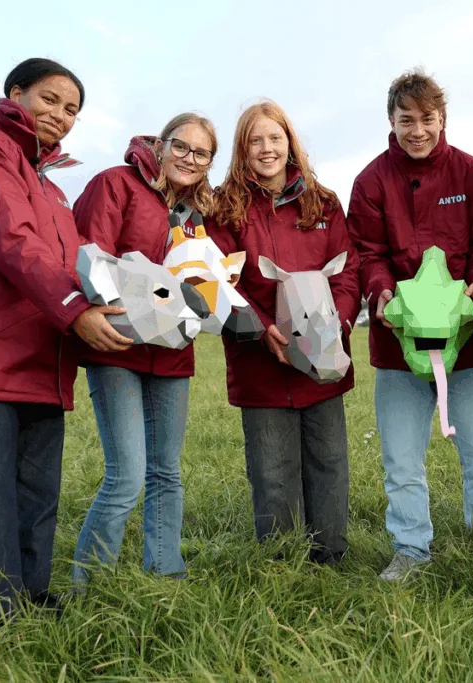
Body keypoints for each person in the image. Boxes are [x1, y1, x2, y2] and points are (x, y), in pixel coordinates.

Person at [0, 58, 133, 627]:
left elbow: (77, 263)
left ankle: (28, 601)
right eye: (51, 100)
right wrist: (74, 309)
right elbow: (13, 242)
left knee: (36, 495)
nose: (61, 116)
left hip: (42, 357)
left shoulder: (54, 192)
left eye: (72, 110)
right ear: (16, 93)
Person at [347, 69, 473, 581]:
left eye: (426, 119)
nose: (416, 130)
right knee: (401, 459)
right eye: (405, 120)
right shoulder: (371, 181)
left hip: (466, 339)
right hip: (399, 343)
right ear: (390, 122)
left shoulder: (472, 173)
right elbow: (365, 251)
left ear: (443, 120)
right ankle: (411, 549)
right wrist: (382, 290)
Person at [70, 113, 219, 588]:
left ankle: (166, 575)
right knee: (127, 475)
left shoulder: (196, 215)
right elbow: (90, 255)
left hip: (172, 355)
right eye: (181, 147)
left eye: (202, 153)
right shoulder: (116, 185)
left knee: (166, 472)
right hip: (118, 347)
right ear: (161, 144)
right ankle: (88, 586)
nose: (189, 159)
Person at [213, 100, 360, 566]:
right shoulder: (225, 210)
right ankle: (282, 564)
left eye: (275, 138)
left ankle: (330, 558)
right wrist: (262, 331)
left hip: (324, 358)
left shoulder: (324, 202)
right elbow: (220, 282)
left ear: (290, 143)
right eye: (255, 140)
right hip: (263, 362)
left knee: (329, 462)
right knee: (273, 470)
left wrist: (338, 318)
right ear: (242, 149)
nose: (266, 148)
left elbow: (348, 270)